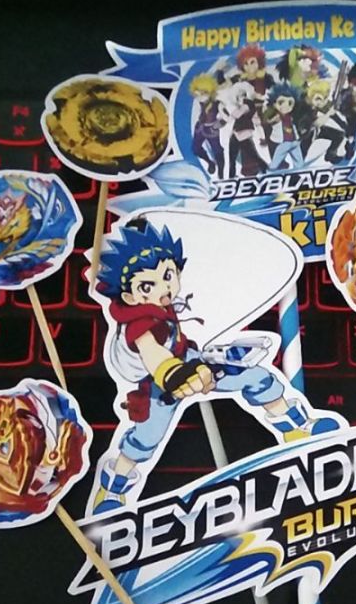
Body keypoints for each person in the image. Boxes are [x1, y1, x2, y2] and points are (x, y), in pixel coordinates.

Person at [90, 219, 341, 513]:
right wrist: (177, 375)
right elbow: (152, 353)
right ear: (130, 296)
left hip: (189, 360)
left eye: (168, 275)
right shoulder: (138, 321)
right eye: (148, 285)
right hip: (160, 384)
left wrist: (199, 364)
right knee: (145, 438)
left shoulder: (161, 304)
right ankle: (111, 491)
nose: (165, 288)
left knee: (254, 376)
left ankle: (296, 428)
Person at [189, 73, 226, 177]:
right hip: (200, 128)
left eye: (203, 93)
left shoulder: (217, 103)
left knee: (218, 152)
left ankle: (221, 174)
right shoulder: (199, 102)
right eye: (197, 93)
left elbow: (225, 117)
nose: (199, 96)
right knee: (195, 149)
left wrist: (216, 126)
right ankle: (210, 162)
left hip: (211, 130)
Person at [265, 83, 305, 170]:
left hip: (294, 142)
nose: (285, 106)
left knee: (299, 163)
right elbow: (268, 122)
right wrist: (272, 120)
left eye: (290, 103)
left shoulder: (291, 116)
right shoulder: (277, 116)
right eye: (281, 103)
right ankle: (271, 171)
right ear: (274, 104)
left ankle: (299, 172)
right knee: (276, 161)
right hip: (284, 142)